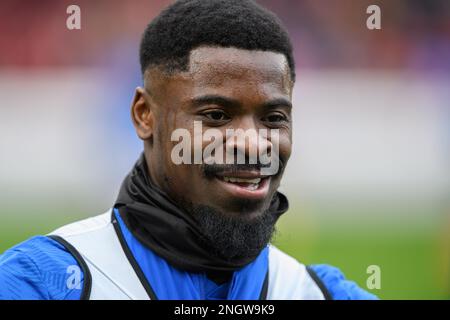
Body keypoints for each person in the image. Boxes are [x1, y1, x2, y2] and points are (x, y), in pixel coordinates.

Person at [0, 0, 377, 300]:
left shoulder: (325, 294)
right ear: (144, 115)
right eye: (215, 115)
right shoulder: (41, 284)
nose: (252, 143)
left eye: (273, 117)